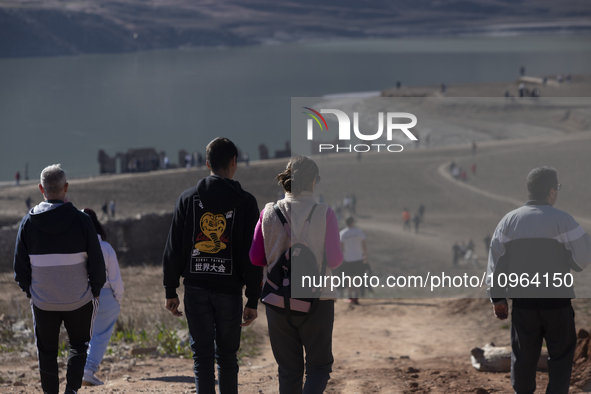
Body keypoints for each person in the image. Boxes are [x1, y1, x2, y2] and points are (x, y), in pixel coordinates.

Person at [163, 137, 262, 394]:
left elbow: (174, 247)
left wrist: (170, 290)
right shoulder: (246, 203)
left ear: (207, 163)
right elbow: (251, 255)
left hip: (195, 289)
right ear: (234, 162)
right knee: (227, 358)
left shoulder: (187, 199)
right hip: (230, 292)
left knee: (202, 358)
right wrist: (252, 298)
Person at [487, 167, 591, 394]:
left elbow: (496, 264)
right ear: (552, 191)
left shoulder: (509, 221)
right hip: (557, 304)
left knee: (523, 359)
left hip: (524, 305)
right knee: (561, 359)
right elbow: (581, 260)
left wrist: (498, 298)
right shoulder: (564, 221)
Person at [249, 155, 343, 393]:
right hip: (317, 300)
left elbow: (255, 258)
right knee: (319, 367)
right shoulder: (325, 213)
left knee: (289, 370)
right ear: (314, 182)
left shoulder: (268, 212)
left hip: (277, 301)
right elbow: (335, 259)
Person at [13, 164, 105, 394]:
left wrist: (33, 293)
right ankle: (71, 391)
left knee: (46, 351)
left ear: (40, 189)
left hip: (43, 301)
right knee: (79, 345)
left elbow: (20, 270)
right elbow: (97, 264)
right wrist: (94, 291)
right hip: (79, 300)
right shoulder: (83, 221)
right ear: (65, 187)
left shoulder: (27, 224)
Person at [80, 208, 124, 386]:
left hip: (80, 297)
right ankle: (88, 370)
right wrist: (117, 300)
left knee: (86, 337)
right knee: (100, 336)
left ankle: (80, 369)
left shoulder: (75, 251)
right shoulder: (105, 248)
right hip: (105, 296)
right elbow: (115, 279)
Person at [340, 217, 368, 304]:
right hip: (358, 257)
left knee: (349, 277)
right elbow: (364, 244)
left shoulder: (343, 233)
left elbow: (341, 247)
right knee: (357, 277)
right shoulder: (358, 232)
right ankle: (356, 295)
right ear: (352, 222)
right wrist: (365, 256)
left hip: (348, 258)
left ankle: (349, 296)